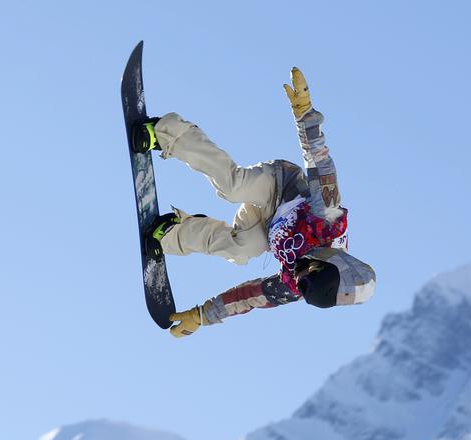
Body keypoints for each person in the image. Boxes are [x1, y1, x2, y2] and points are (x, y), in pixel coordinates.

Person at [130, 67, 376, 338]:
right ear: (331, 260)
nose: (300, 271)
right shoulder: (327, 220)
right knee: (233, 187)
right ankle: (169, 133)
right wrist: (305, 113)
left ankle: (174, 233)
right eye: (310, 269)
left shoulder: (291, 285)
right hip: (280, 187)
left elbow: (247, 298)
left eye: (301, 279)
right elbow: (320, 163)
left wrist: (202, 316)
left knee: (242, 251)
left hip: (268, 226)